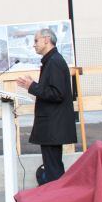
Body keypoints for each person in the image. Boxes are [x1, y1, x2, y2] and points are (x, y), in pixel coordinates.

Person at [16, 28, 76, 184]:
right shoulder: (51, 60)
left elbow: (57, 93)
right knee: (53, 167)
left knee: (54, 169)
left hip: (53, 126)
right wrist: (34, 85)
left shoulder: (55, 61)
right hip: (51, 126)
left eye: (36, 41)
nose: (34, 45)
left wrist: (32, 86)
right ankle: (56, 200)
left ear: (46, 39)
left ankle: (57, 201)